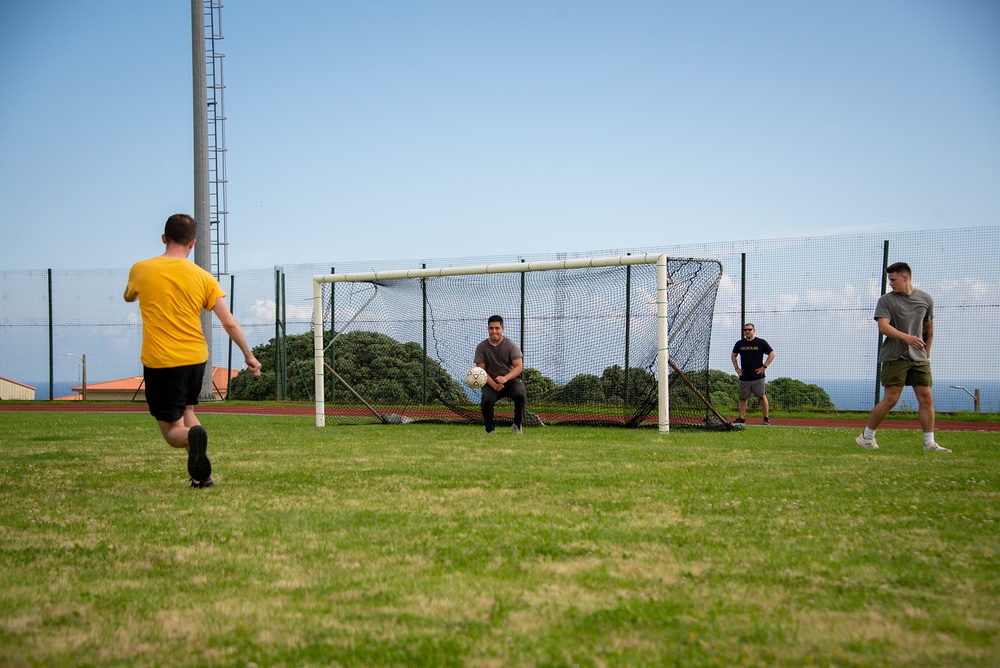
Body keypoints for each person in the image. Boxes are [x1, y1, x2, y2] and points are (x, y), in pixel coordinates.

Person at [124, 214, 262, 488]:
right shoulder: (204, 277)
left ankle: (192, 439)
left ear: (164, 238)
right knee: (187, 413)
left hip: (162, 362)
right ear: (193, 243)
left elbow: (129, 295)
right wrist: (249, 356)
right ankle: (202, 477)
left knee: (173, 431)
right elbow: (229, 322)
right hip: (196, 359)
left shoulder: (141, 269)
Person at [856, 262, 949, 453]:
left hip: (919, 358)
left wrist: (926, 350)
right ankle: (866, 437)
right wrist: (906, 338)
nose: (890, 283)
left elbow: (929, 328)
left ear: (905, 277)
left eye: (893, 279)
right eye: (890, 280)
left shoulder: (925, 299)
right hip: (894, 356)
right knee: (891, 399)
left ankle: (929, 443)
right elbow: (883, 327)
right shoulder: (886, 300)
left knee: (927, 398)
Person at [474, 315, 527, 435]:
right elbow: (481, 371)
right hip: (490, 381)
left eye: (497, 328)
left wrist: (505, 378)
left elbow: (519, 367)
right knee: (486, 401)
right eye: (491, 328)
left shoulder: (510, 345)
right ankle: (490, 430)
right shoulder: (481, 347)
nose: (494, 331)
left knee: (520, 394)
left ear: (503, 329)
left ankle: (517, 425)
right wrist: (494, 385)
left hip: (510, 380)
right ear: (488, 329)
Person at [731, 323, 775, 425]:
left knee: (762, 396)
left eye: (749, 329)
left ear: (754, 330)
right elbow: (733, 355)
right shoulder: (740, 344)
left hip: (758, 376)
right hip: (744, 376)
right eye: (745, 330)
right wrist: (736, 368)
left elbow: (772, 353)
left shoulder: (761, 342)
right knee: (743, 398)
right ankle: (741, 418)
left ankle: (766, 418)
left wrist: (764, 367)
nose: (747, 331)